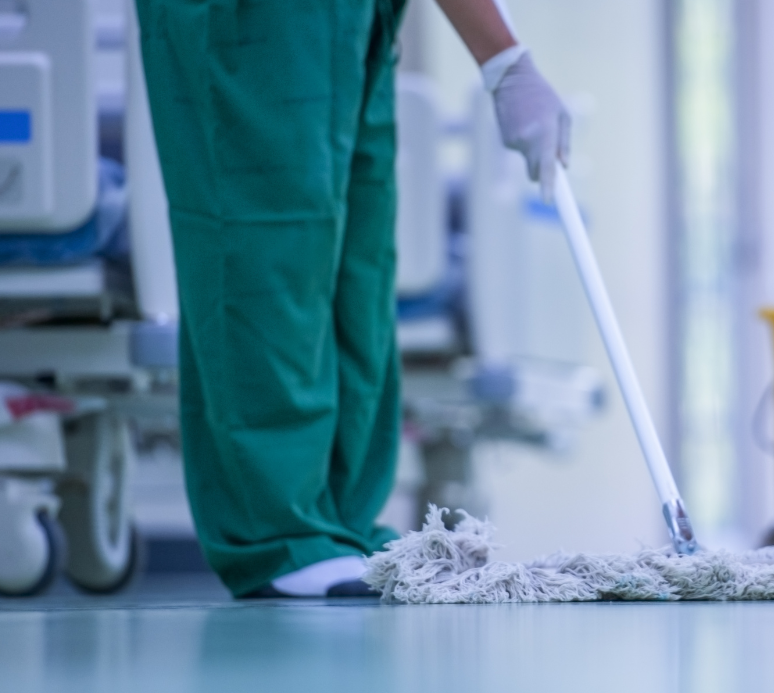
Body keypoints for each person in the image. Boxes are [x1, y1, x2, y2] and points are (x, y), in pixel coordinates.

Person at [136, 0, 569, 597]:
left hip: (352, 20)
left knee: (357, 266)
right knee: (271, 249)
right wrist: (501, 59)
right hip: (254, 21)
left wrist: (505, 61)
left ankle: (339, 521)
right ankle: (280, 534)